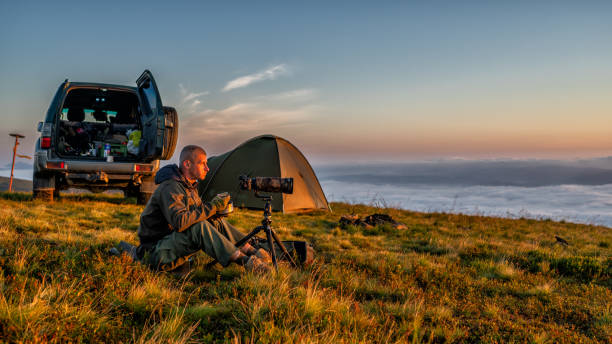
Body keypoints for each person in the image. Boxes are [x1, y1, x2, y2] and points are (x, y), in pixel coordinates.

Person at [136, 145, 271, 273]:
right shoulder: (170, 187)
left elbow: (199, 213)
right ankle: (247, 263)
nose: (207, 168)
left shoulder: (188, 186)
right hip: (155, 253)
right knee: (198, 227)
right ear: (187, 164)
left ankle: (253, 251)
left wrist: (215, 212)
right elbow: (180, 221)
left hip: (169, 244)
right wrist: (212, 206)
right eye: (203, 164)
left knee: (215, 221)